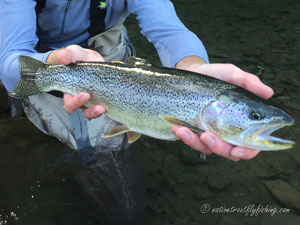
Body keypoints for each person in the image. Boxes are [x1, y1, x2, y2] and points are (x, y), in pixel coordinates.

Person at [0, 0, 274, 224]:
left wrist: (193, 70)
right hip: (40, 55)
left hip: (111, 61)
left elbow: (169, 31)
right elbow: (12, 59)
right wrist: (54, 62)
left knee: (122, 211)